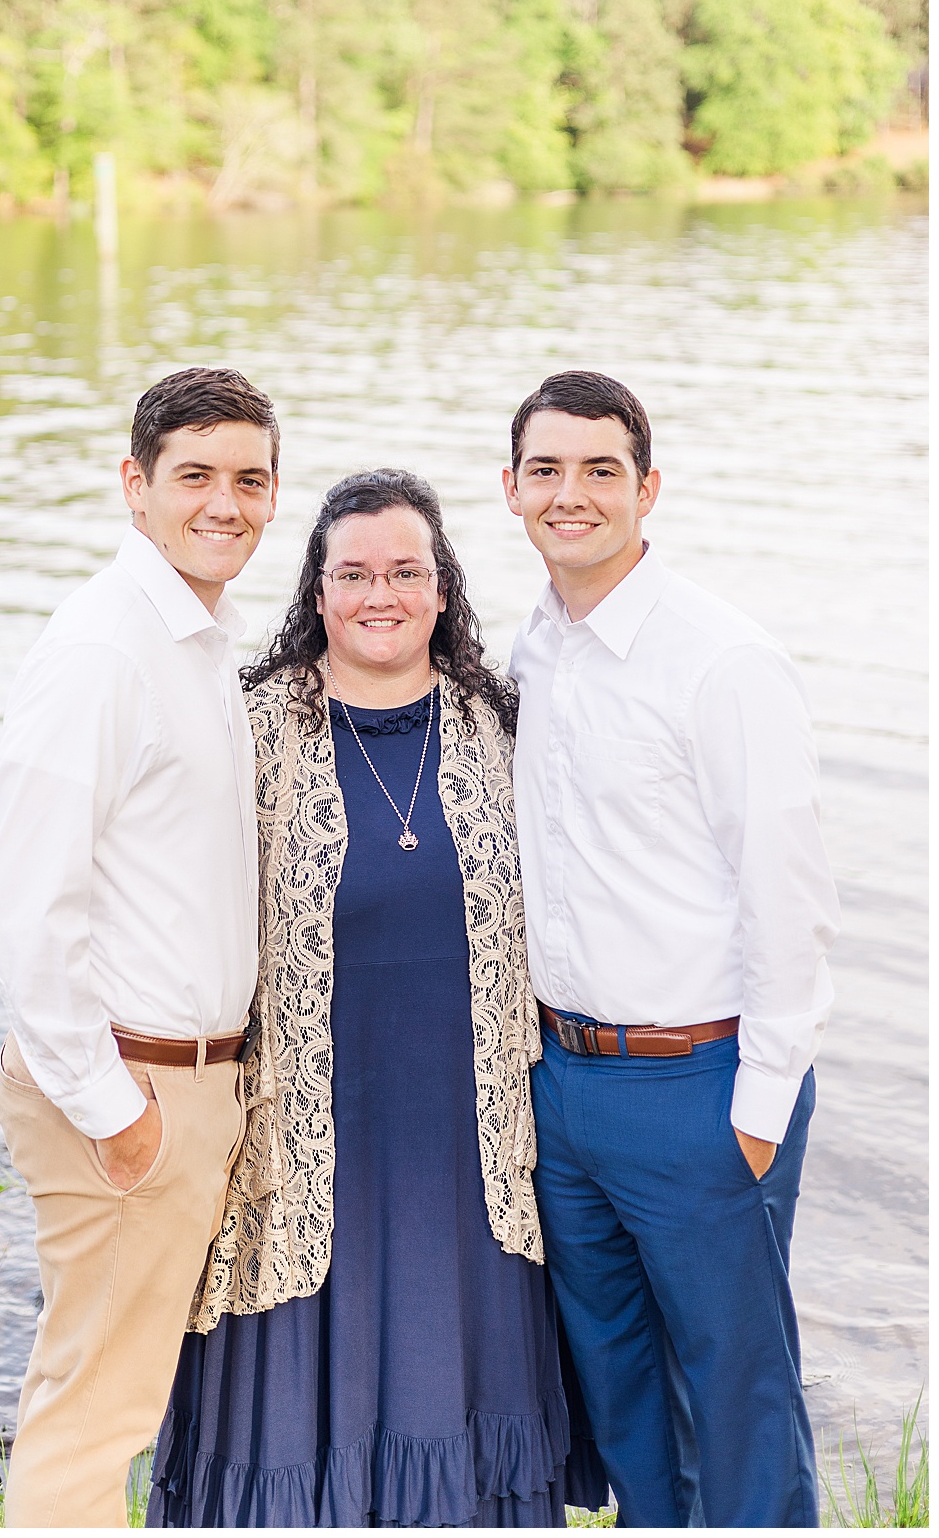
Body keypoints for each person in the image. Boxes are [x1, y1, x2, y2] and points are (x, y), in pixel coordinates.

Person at [146, 468, 608, 1529]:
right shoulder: (247, 728)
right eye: (352, 573)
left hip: (472, 1150)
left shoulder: (505, 725)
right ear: (317, 593)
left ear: (443, 588)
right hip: (303, 1148)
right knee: (306, 1418)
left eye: (406, 570)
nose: (380, 593)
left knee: (463, 1395)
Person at [503, 369, 839, 1528]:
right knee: (622, 1390)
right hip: (565, 1083)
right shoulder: (532, 649)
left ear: (649, 488)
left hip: (702, 1083)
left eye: (601, 469)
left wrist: (760, 1104)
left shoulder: (721, 659)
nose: (572, 493)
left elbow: (787, 893)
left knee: (736, 1394)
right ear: (511, 488)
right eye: (547, 468)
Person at [0, 366, 279, 1527]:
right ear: (134, 486)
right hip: (128, 1085)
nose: (224, 503)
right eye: (193, 475)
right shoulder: (105, 649)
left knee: (115, 1399)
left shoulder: (196, 643)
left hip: (185, 1080)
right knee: (93, 1411)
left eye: (249, 479)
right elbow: (21, 905)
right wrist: (117, 1111)